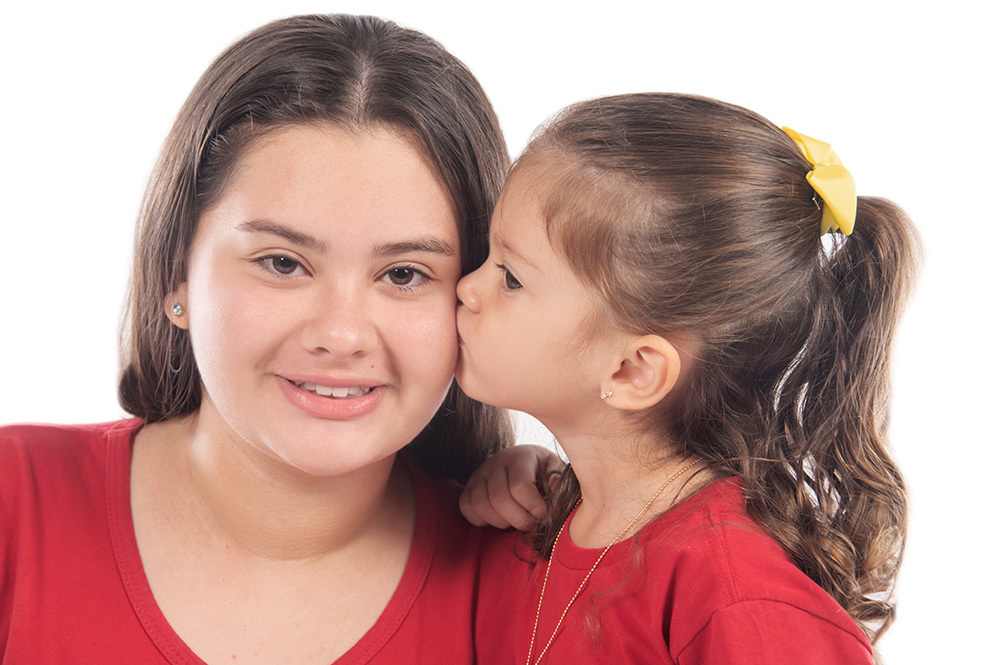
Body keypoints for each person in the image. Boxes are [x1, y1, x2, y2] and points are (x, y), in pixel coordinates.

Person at [0, 14, 514, 664]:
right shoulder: (14, 502)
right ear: (177, 272)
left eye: (404, 274)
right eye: (282, 263)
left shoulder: (528, 580)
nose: (340, 335)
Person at [457, 93, 919, 664]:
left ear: (633, 370)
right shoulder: (549, 516)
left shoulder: (738, 597)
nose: (466, 288)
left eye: (510, 277)